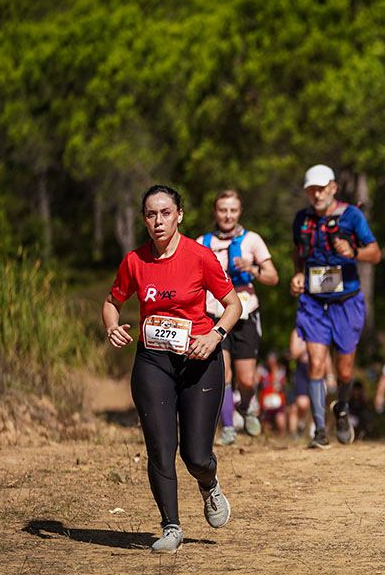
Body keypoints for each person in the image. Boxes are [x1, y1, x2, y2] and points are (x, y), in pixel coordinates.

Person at [101, 185, 243, 553]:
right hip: (153, 362)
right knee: (160, 448)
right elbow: (112, 301)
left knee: (195, 456)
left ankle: (209, 484)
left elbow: (233, 305)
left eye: (165, 213)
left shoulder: (200, 256)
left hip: (199, 361)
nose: (158, 221)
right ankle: (171, 527)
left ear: (179, 214)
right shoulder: (135, 261)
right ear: (144, 219)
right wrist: (112, 326)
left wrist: (214, 336)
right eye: (151, 214)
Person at [290, 164, 382, 449]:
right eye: (311, 190)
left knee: (344, 371)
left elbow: (375, 253)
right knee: (316, 364)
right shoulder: (301, 219)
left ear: (333, 187)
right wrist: (297, 274)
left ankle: (341, 408)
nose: (317, 195)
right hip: (314, 302)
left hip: (347, 301)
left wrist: (353, 252)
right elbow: (297, 252)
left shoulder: (351, 215)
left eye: (321, 189)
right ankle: (319, 430)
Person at [199, 190, 279, 446]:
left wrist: (251, 268)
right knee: (223, 375)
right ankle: (228, 428)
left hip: (246, 313)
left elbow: (273, 277)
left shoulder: (252, 240)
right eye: (223, 210)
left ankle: (245, 406)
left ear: (240, 212)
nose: (228, 215)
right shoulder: (202, 242)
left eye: (233, 210)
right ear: (215, 212)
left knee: (246, 379)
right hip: (215, 314)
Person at [256, 350, 287, 435]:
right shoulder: (262, 370)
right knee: (266, 426)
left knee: (281, 423)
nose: (271, 362)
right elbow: (255, 383)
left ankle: (282, 438)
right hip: (265, 402)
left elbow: (284, 386)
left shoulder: (281, 371)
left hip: (278, 402)